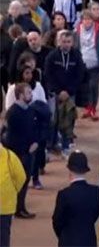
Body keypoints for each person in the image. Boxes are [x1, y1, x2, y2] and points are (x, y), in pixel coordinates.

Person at [52, 151, 99, 247]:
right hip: (88, 240)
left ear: (70, 170)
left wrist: (63, 235)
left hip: (68, 241)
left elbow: (57, 221)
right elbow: (94, 215)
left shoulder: (64, 194)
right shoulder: (96, 191)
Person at [5, 82, 38, 219]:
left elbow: (33, 129)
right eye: (28, 92)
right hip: (18, 153)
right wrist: (26, 149)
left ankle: (20, 207)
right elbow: (13, 137)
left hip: (29, 152)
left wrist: (35, 142)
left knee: (25, 180)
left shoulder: (30, 110)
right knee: (17, 181)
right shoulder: (13, 113)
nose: (31, 95)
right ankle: (16, 209)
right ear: (20, 95)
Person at [75, 10, 99, 121]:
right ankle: (87, 107)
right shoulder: (77, 30)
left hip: (95, 62)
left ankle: (93, 109)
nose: (87, 21)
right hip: (82, 63)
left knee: (93, 86)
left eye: (89, 19)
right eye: (85, 19)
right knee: (85, 88)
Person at [0, 143, 26, 246]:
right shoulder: (10, 157)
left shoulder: (10, 157)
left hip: (5, 207)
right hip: (6, 206)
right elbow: (21, 178)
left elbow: (21, 178)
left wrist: (13, 191)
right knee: (3, 237)